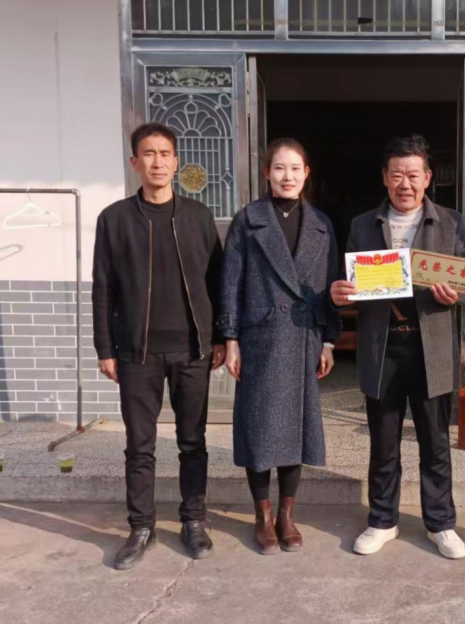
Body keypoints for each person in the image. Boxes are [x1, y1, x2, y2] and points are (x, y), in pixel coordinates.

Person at [331, 135, 465, 560]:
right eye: (397, 175)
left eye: (413, 175)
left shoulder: (451, 223)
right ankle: (382, 520)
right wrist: (341, 293)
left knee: (435, 442)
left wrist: (457, 295)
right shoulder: (363, 224)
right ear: (384, 178)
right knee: (383, 442)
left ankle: (441, 523)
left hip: (432, 347)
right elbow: (351, 283)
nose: (405, 183)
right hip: (384, 348)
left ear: (428, 178)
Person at [93, 122, 225, 570]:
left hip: (191, 350)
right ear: (135, 162)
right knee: (140, 445)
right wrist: (105, 348)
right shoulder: (114, 219)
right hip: (137, 352)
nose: (157, 162)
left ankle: (194, 519)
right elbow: (103, 287)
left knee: (193, 442)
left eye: (165, 153)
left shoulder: (198, 216)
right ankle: (141, 526)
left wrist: (219, 336)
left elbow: (217, 281)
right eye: (148, 154)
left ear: (176, 161)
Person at [219, 138, 340, 554]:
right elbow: (231, 282)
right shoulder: (248, 220)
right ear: (266, 173)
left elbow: (330, 284)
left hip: (304, 335)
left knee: (295, 428)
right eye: (279, 168)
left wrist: (328, 340)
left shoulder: (321, 224)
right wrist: (230, 338)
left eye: (295, 168)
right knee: (259, 428)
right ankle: (263, 515)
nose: (287, 176)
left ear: (307, 174)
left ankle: (287, 515)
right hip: (260, 337)